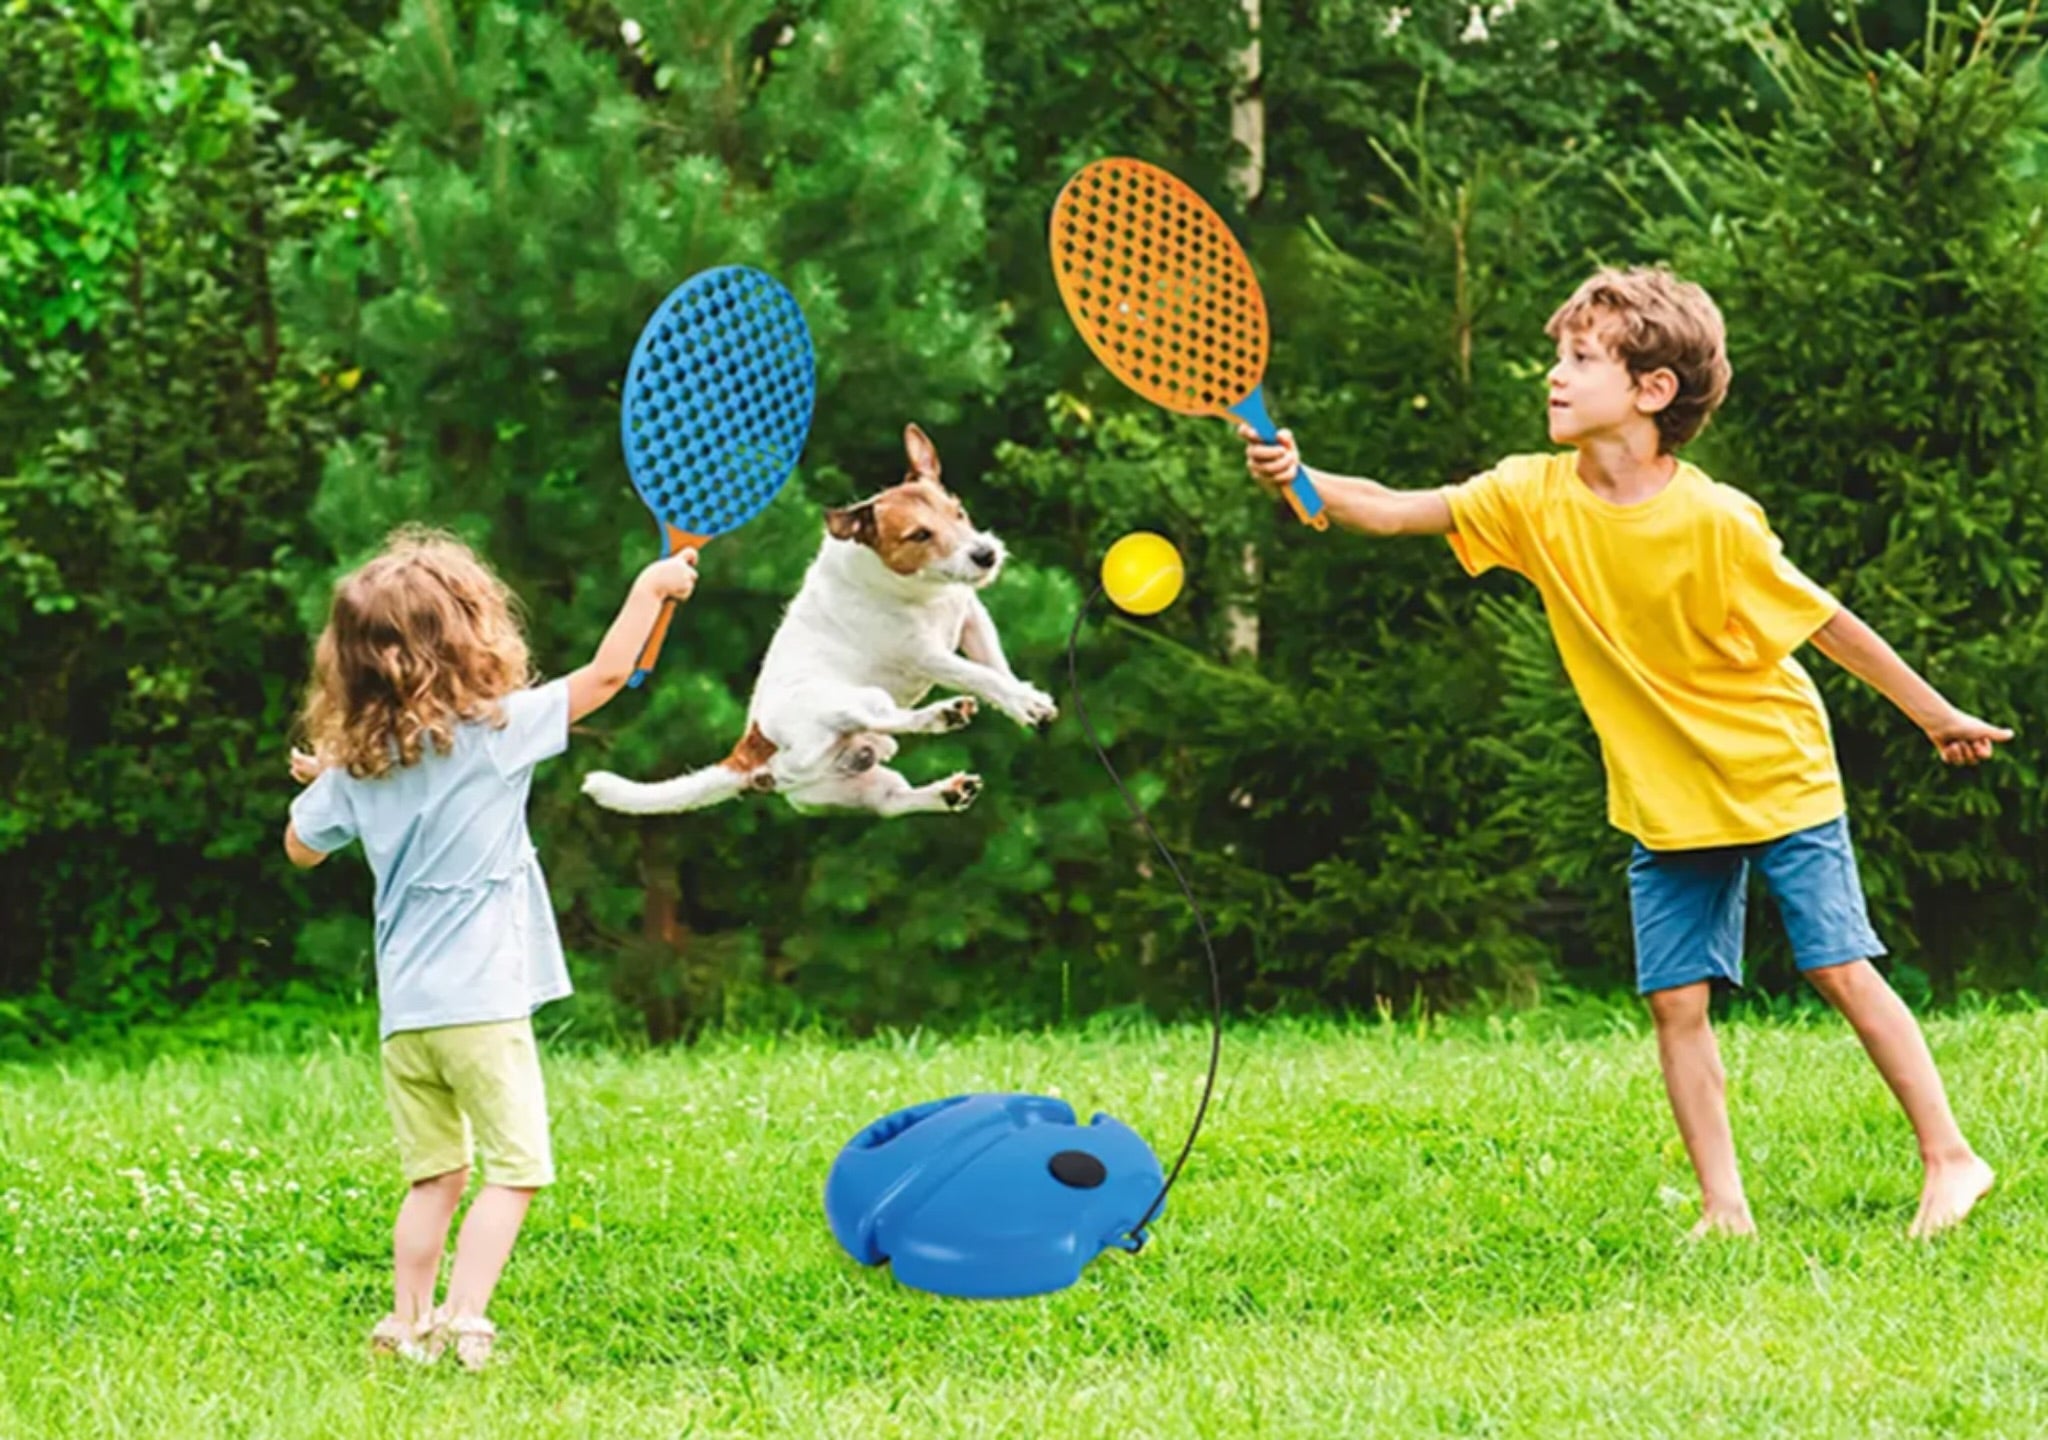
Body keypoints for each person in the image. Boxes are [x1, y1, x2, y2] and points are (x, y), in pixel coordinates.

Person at [1242, 266, 2006, 1239]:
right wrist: (1296, 478)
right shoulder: (1528, 495)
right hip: (1661, 795)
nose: (1552, 376)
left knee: (1837, 969)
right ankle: (1721, 1209)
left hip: (1773, 772)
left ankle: (1950, 1157)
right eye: (1555, 356)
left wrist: (1934, 713)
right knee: (1673, 1003)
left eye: (1579, 359)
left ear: (1650, 391)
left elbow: (1825, 624)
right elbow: (1391, 509)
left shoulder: (1713, 519)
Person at [285, 525, 698, 1363]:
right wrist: (652, 589)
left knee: (434, 1177)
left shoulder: (357, 771)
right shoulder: (497, 731)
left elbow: (301, 847)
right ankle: (465, 1317)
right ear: (471, 636)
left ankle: (404, 1324)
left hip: (407, 1021)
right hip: (482, 1009)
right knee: (515, 1170)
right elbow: (609, 674)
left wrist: (328, 776)